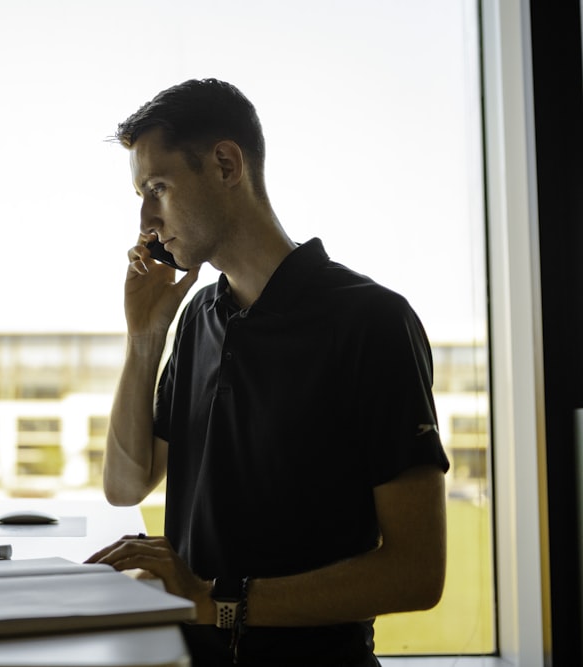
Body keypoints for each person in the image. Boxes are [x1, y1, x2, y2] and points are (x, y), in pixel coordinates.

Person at [85, 78, 450, 666]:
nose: (147, 220)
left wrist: (216, 600)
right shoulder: (200, 316)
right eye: (139, 196)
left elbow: (416, 573)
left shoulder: (371, 321)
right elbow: (126, 486)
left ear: (227, 164)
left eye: (158, 187)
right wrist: (145, 337)